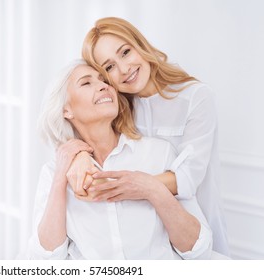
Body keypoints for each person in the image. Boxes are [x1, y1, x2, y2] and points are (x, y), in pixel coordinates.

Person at [67, 16, 229, 256]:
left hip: (195, 227)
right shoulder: (119, 109)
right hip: (149, 235)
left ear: (139, 45)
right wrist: (79, 153)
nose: (124, 69)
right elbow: (84, 129)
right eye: (109, 67)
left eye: (125, 52)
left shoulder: (196, 97)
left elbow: (187, 179)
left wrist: (136, 186)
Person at [25, 60, 212, 260]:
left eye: (104, 80)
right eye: (86, 83)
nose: (104, 86)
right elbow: (44, 260)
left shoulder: (159, 153)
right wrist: (61, 175)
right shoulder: (54, 172)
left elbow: (198, 249)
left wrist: (151, 189)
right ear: (66, 110)